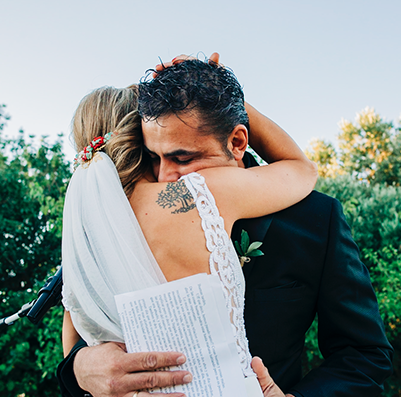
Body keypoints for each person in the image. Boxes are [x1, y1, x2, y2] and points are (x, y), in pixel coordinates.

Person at [58, 55, 393, 397]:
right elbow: (89, 340)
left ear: (237, 142)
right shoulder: (118, 226)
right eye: (153, 158)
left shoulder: (316, 217)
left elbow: (366, 354)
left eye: (182, 158)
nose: (165, 177)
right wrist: (80, 368)